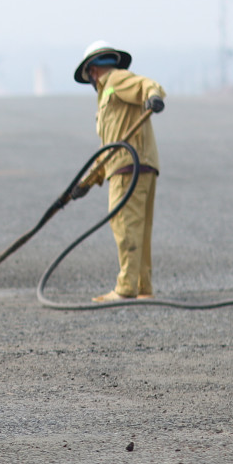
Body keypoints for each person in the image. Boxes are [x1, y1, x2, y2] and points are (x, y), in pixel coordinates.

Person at [71, 42, 168, 301]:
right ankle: (142, 287)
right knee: (139, 228)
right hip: (136, 164)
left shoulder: (115, 80)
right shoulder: (107, 98)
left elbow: (146, 84)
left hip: (128, 168)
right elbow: (108, 149)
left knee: (125, 225)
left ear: (92, 70)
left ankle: (126, 288)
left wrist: (153, 96)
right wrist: (88, 182)